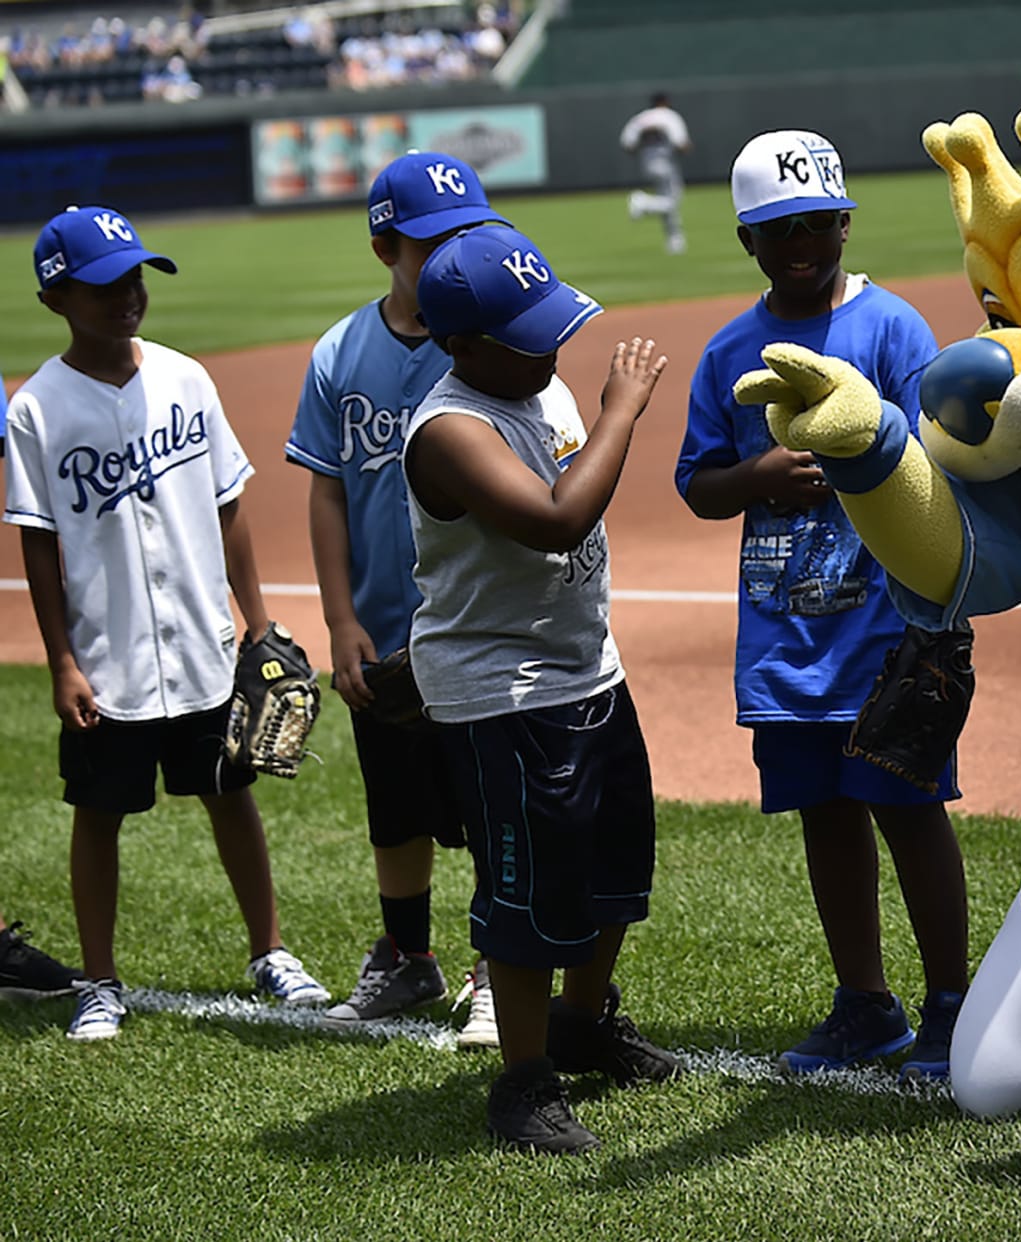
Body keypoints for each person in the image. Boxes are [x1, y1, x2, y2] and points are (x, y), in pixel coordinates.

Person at [675, 129, 970, 1080]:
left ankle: (950, 1006)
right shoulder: (728, 351)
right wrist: (756, 471)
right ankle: (864, 1005)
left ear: (845, 221)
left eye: (814, 225)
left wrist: (860, 462)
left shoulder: (893, 330)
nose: (799, 243)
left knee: (909, 808)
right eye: (776, 230)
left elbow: (942, 463)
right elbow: (698, 484)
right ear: (745, 242)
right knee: (825, 817)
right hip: (787, 638)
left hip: (889, 631)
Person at [4, 205, 328, 1043]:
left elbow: (229, 507)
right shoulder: (37, 409)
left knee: (231, 797)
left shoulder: (186, 378)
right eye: (105, 285)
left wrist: (255, 622)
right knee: (99, 813)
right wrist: (63, 663)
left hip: (201, 647)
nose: (127, 296)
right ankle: (100, 980)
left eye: (135, 278)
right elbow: (39, 546)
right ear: (57, 299)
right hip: (107, 658)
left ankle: (270, 952)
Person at [404, 223, 679, 1153]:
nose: (552, 349)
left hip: (584, 667)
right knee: (525, 897)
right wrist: (623, 410)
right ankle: (523, 1083)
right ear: (461, 346)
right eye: (528, 337)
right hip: (503, 692)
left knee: (613, 863)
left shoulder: (537, 382)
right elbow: (560, 519)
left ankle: (583, 1022)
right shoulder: (448, 430)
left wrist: (593, 408)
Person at [284, 151, 504, 1043]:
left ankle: (499, 967)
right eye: (431, 243)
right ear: (386, 247)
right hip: (383, 626)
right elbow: (328, 487)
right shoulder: (341, 351)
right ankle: (408, 960)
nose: (452, 255)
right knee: (397, 805)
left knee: (491, 802)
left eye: (466, 236)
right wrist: (339, 620)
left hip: (478, 625)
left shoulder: (492, 342)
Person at [621, 92, 691, 256]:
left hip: (647, 163)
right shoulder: (669, 117)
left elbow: (627, 145)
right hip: (665, 162)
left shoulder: (641, 119)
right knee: (673, 201)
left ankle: (674, 240)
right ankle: (643, 202)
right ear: (665, 102)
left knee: (666, 198)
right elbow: (680, 143)